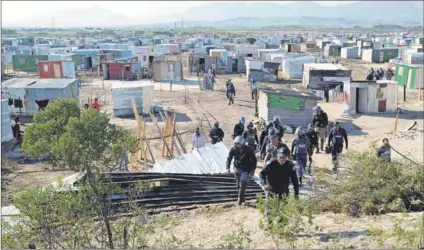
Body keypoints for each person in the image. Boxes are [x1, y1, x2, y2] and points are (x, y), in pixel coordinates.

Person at [226, 136, 257, 205]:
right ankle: (242, 197)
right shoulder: (233, 148)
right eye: (236, 144)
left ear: (243, 143)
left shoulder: (248, 149)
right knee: (238, 184)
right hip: (237, 168)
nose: (237, 145)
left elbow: (254, 160)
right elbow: (229, 158)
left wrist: (253, 169)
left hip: (245, 169)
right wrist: (227, 167)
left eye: (239, 144)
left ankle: (240, 199)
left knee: (243, 183)